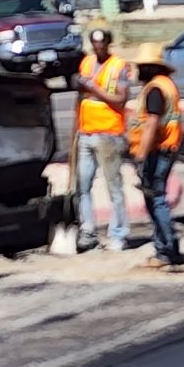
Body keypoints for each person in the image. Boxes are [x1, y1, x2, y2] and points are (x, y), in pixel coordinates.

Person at [74, 26, 131, 252]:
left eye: (102, 42)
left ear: (108, 43)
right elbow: (80, 97)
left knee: (113, 187)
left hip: (109, 135)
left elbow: (120, 100)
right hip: (86, 133)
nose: (98, 47)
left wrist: (93, 88)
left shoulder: (118, 67)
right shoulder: (86, 63)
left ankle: (118, 234)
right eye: (95, 43)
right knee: (83, 186)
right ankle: (87, 232)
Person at [132, 43, 184, 270]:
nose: (137, 71)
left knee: (156, 199)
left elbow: (152, 122)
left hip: (158, 151)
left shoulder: (155, 89)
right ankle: (167, 247)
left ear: (150, 68)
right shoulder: (166, 85)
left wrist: (141, 153)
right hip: (167, 148)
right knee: (157, 198)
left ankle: (166, 250)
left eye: (141, 67)